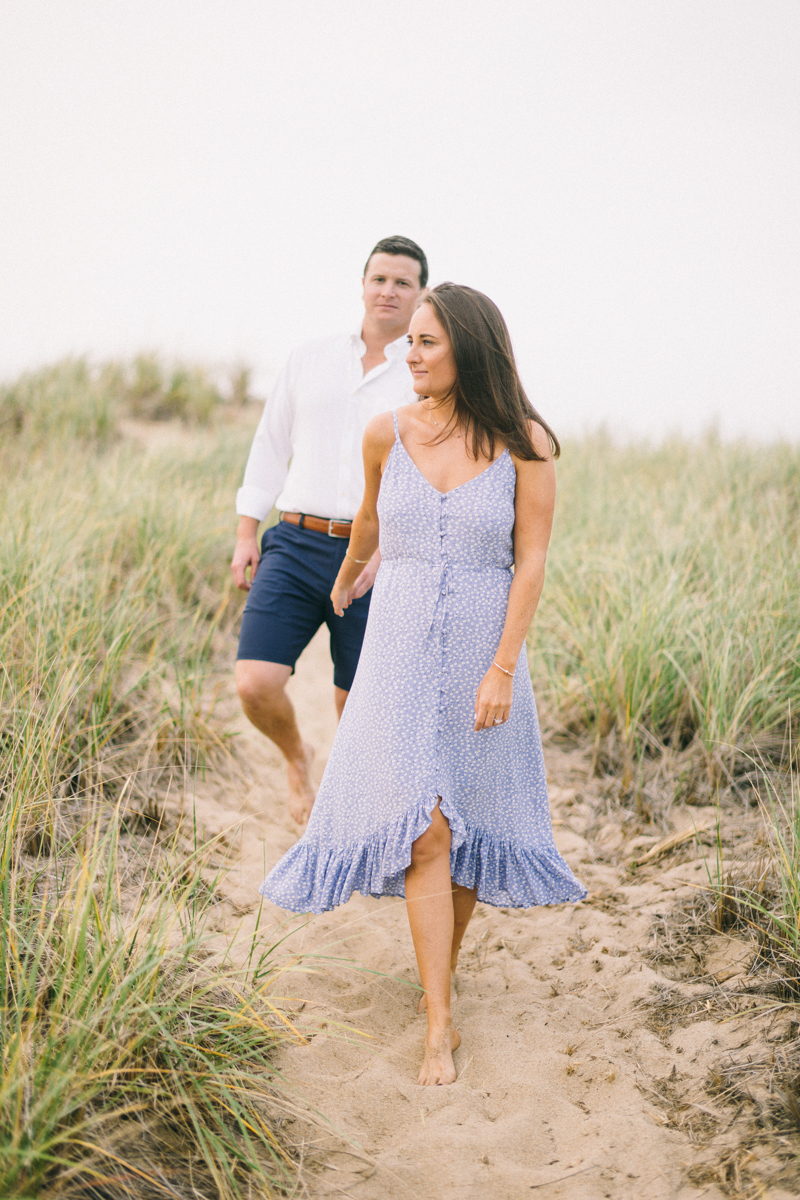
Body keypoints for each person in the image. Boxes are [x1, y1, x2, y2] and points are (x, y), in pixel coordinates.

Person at [260, 283, 586, 1086]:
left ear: (468, 349)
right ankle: (440, 1023)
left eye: (426, 342)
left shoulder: (527, 444)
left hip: (484, 649)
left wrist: (502, 667)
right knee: (425, 829)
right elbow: (373, 518)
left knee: (465, 828)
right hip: (398, 647)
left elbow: (532, 560)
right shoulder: (384, 432)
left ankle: (436, 975)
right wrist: (349, 573)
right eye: (409, 341)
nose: (409, 354)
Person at [232, 236, 428, 824]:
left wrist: (390, 551)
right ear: (363, 284)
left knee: (356, 706)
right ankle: (297, 757)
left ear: (422, 295)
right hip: (294, 540)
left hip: (376, 554)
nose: (388, 291)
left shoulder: (424, 374)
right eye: (379, 279)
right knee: (253, 683)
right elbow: (269, 447)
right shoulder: (309, 358)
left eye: (402, 283)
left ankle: (353, 820)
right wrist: (247, 533)